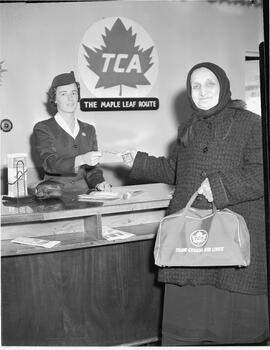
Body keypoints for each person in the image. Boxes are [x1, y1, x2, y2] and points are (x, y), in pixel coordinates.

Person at [122, 62, 269, 345]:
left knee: (235, 330)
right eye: (196, 86)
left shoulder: (252, 124)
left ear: (223, 86)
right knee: (188, 328)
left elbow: (261, 172)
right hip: (190, 245)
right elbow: (178, 171)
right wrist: (138, 162)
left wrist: (219, 186)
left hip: (234, 245)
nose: (202, 91)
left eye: (209, 84)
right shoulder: (189, 128)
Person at [33, 71, 111, 193]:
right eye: (63, 94)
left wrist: (99, 183)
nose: (70, 98)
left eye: (74, 93)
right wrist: (82, 159)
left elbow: (92, 169)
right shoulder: (43, 128)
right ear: (55, 99)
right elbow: (50, 163)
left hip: (84, 197)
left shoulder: (89, 129)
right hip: (55, 197)